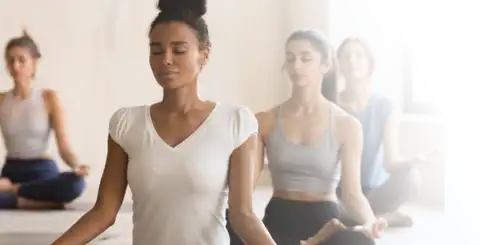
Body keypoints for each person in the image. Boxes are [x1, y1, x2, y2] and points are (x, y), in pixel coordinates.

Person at [52, 0, 276, 244]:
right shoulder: (126, 124)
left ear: (205, 53)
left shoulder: (236, 122)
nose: (166, 60)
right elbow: (104, 212)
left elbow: (243, 215)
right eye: (157, 51)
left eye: (178, 50)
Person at [228, 29, 387, 245]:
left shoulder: (347, 125)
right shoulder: (263, 121)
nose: (296, 66)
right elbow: (245, 190)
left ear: (325, 65)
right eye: (291, 58)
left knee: (360, 242)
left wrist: (369, 222)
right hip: (278, 220)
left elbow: (352, 194)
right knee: (227, 225)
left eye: (305, 58)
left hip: (324, 220)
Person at [335, 36, 443, 227]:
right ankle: (377, 218)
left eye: (359, 56)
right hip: (339, 193)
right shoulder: (329, 105)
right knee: (321, 207)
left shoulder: (386, 107)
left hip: (372, 192)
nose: (352, 60)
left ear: (370, 65)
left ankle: (364, 216)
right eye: (346, 56)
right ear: (339, 66)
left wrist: (415, 160)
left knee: (412, 176)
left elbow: (391, 163)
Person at [0, 30, 88, 210]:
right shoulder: (1, 100)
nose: (16, 66)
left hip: (42, 171)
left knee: (75, 184)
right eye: (11, 60)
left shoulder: (49, 98)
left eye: (21, 60)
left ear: (33, 63)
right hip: (11, 170)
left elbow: (63, 146)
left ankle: (16, 193)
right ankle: (33, 201)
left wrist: (77, 165)